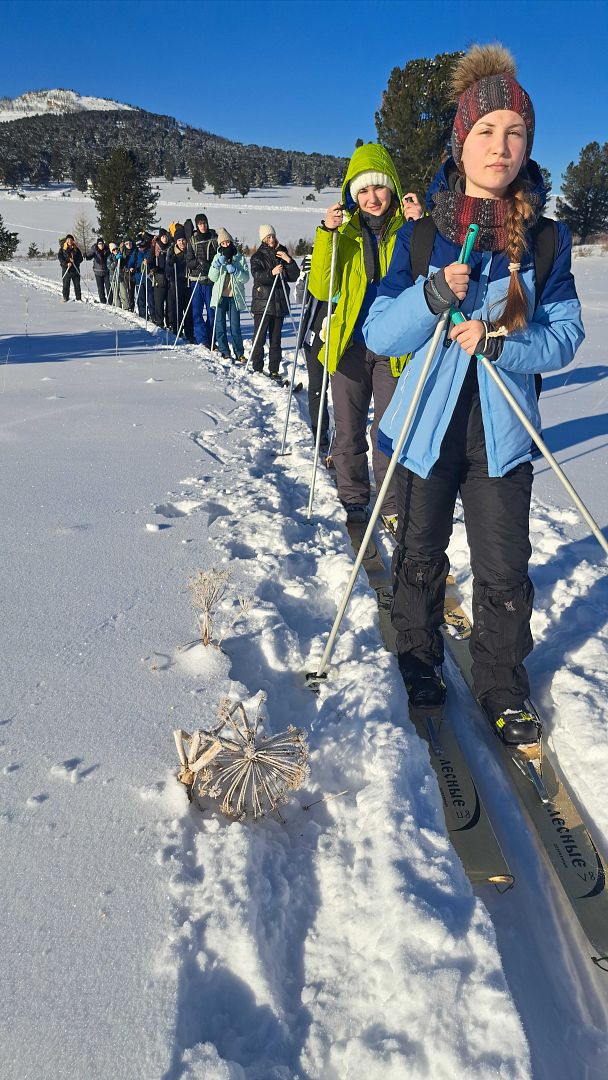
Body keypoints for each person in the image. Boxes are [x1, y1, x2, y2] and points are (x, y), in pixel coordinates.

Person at [363, 44, 584, 745]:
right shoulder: (423, 236)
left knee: (504, 569)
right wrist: (431, 295)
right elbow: (379, 333)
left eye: (515, 133)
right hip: (426, 426)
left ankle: (501, 683)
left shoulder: (545, 242)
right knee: (419, 553)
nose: (501, 145)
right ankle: (418, 658)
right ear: (461, 143)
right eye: (486, 130)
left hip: (502, 433)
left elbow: (565, 336)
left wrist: (499, 342)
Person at [308, 144, 423, 528]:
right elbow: (321, 287)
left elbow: (428, 275)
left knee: (388, 430)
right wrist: (326, 235)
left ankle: (391, 504)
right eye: (363, 191)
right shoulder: (344, 234)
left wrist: (421, 227)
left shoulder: (408, 231)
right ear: (352, 195)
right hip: (350, 345)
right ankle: (354, 497)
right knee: (349, 427)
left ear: (392, 188)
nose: (372, 198)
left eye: (379, 188)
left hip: (394, 347)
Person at [249, 225, 299, 379]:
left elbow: (294, 276)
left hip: (279, 302)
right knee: (259, 338)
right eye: (268, 237)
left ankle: (274, 370)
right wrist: (271, 273)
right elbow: (257, 275)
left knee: (276, 339)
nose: (271, 239)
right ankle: (257, 367)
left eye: (273, 236)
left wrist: (288, 261)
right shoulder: (257, 257)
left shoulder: (282, 253)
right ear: (263, 239)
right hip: (263, 303)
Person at [208, 228, 250, 361]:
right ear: (220, 244)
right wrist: (216, 266)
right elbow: (212, 277)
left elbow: (246, 278)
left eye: (227, 242)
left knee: (235, 327)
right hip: (220, 298)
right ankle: (224, 351)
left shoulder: (239, 257)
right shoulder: (217, 257)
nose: (226, 245)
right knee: (220, 326)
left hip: (234, 297)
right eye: (223, 243)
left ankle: (239, 353)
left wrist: (236, 271)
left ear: (231, 242)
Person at [186, 213, 218, 346]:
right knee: (197, 312)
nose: (202, 226)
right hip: (197, 280)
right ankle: (202, 339)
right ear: (197, 225)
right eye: (200, 224)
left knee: (212, 313)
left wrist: (210, 265)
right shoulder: (193, 240)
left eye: (204, 223)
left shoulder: (214, 238)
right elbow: (189, 262)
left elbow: (219, 256)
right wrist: (198, 262)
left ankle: (211, 339)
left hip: (210, 280)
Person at [166, 226, 192, 339]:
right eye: (179, 240)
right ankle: (177, 330)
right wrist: (171, 265)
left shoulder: (189, 251)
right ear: (176, 241)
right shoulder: (172, 251)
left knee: (189, 310)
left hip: (188, 282)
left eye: (183, 240)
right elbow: (167, 271)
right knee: (177, 308)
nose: (181, 242)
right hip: (176, 283)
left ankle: (190, 333)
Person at [150, 227, 171, 327]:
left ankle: (169, 322)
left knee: (170, 303)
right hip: (159, 277)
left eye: (166, 237)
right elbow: (151, 259)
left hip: (169, 278)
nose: (165, 238)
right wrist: (152, 267)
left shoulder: (171, 247)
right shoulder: (155, 247)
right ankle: (159, 322)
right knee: (159, 302)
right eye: (163, 237)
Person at [57, 234, 83, 301]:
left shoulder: (76, 249)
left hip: (75, 270)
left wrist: (75, 261)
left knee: (77, 285)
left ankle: (78, 298)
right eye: (68, 239)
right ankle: (65, 298)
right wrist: (66, 263)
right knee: (66, 285)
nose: (69, 241)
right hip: (66, 270)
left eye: (71, 240)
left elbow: (81, 258)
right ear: (66, 241)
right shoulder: (62, 249)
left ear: (73, 241)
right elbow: (60, 258)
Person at [86, 237, 112, 304]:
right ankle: (103, 302)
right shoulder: (94, 249)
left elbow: (111, 257)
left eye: (102, 244)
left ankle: (110, 302)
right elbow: (90, 256)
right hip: (98, 272)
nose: (101, 245)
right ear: (97, 244)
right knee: (100, 288)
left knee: (109, 288)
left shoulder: (107, 249)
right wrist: (86, 256)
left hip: (106, 272)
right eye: (100, 244)